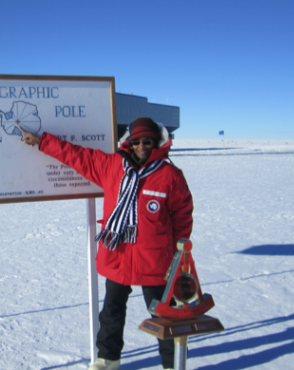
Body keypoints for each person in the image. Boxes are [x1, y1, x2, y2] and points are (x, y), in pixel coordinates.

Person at [18, 117, 193, 370]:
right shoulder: (112, 166)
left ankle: (172, 365)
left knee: (165, 316)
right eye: (137, 141)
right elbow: (78, 156)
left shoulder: (170, 175)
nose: (142, 146)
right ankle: (108, 360)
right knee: (111, 312)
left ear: (157, 143)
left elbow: (183, 215)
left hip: (156, 260)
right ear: (129, 144)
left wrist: (177, 254)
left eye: (148, 141)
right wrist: (43, 141)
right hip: (118, 254)